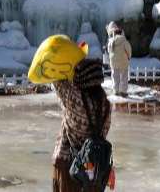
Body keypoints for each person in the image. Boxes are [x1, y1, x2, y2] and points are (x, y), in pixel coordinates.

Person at [51, 57, 111, 192]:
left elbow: (57, 81)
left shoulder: (75, 99)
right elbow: (104, 132)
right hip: (93, 168)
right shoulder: (105, 105)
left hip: (68, 164)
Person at [105, 22, 132, 97]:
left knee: (115, 76)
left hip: (114, 62)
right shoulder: (124, 40)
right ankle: (123, 91)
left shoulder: (110, 41)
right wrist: (129, 57)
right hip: (123, 61)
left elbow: (109, 51)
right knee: (124, 76)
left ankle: (116, 91)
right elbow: (129, 50)